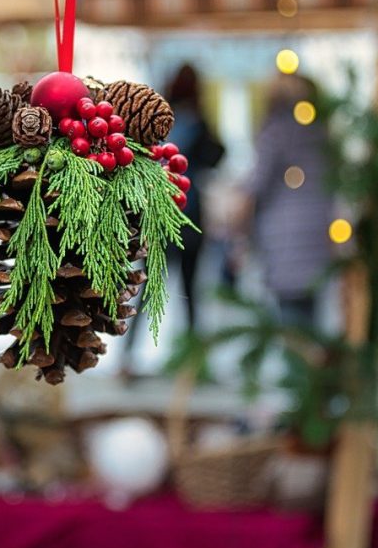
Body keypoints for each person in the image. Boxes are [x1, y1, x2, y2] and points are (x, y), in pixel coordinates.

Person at [121, 63, 224, 376]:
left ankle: (127, 360)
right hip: (189, 219)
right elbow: (219, 155)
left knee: (148, 289)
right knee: (192, 294)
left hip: (157, 219)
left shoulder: (156, 124)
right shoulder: (198, 123)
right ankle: (194, 364)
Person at [240, 74, 332, 327]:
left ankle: (300, 364)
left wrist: (238, 224)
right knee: (310, 317)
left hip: (284, 235)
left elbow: (257, 185)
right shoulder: (321, 132)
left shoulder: (275, 133)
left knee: (291, 322)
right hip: (319, 231)